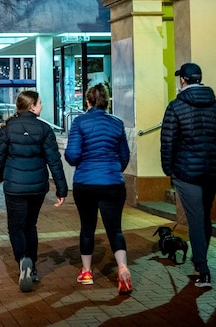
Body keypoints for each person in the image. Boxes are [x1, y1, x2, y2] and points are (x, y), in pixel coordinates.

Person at [160, 62, 216, 288]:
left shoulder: (176, 107)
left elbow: (168, 141)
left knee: (196, 219)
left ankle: (203, 269)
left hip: (186, 173)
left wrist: (169, 169)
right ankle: (198, 261)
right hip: (211, 171)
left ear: (182, 80)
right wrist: (215, 158)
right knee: (204, 217)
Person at [0, 90, 68, 293]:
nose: (42, 106)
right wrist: (61, 189)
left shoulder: (8, 128)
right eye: (40, 103)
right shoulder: (44, 129)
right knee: (30, 225)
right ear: (32, 106)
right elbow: (54, 160)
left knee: (16, 227)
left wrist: (0, 176)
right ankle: (32, 267)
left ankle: (23, 259)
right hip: (37, 186)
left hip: (14, 186)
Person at [65, 83, 133, 295]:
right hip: (113, 182)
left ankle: (86, 272)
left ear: (88, 101)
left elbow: (73, 155)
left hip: (86, 183)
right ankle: (122, 268)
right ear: (106, 100)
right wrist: (112, 169)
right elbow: (124, 156)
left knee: (87, 227)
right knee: (115, 229)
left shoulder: (79, 122)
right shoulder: (117, 123)